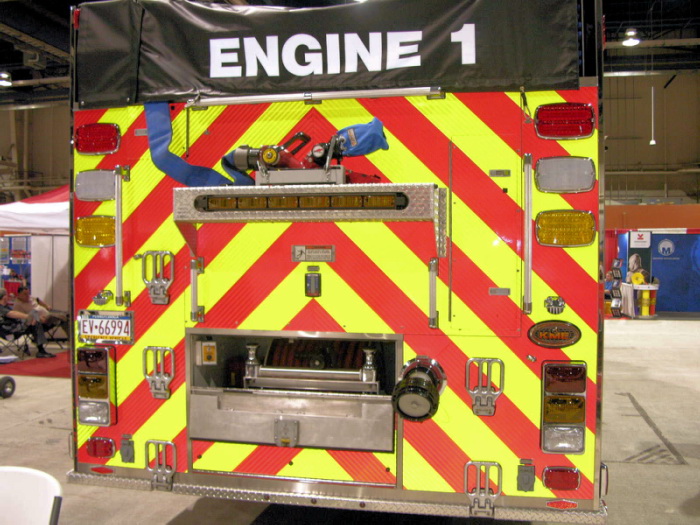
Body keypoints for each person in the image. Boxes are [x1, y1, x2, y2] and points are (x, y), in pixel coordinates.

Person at [0, 288, 55, 358]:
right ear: (4, 297)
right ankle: (41, 350)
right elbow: (11, 313)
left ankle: (41, 328)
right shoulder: (1, 308)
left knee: (35, 317)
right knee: (35, 319)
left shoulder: (5, 306)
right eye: (7, 295)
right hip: (10, 330)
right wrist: (29, 317)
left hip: (16, 326)